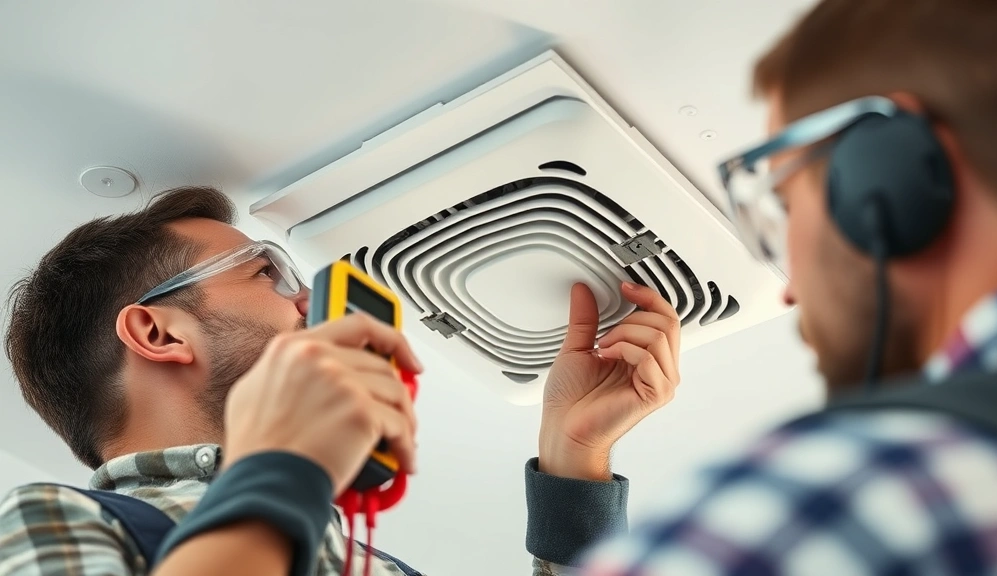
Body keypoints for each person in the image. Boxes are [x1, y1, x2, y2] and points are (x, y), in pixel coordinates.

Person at [0, 186, 683, 575]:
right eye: (266, 273)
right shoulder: (47, 521)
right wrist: (283, 469)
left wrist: (575, 461)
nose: (307, 300)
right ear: (159, 333)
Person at [568, 0, 997, 574]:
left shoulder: (854, 497)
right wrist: (576, 464)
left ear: (888, 174)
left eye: (785, 204)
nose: (790, 293)